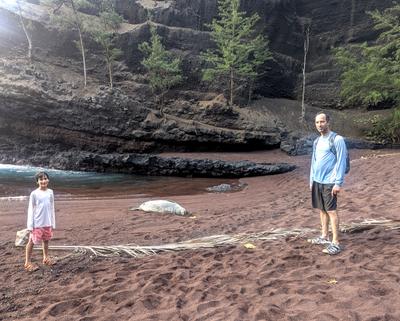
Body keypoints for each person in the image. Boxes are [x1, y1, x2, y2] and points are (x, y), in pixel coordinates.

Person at [308, 112, 348, 255]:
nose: (320, 124)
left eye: (322, 121)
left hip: (330, 181)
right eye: (317, 122)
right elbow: (314, 161)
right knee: (322, 209)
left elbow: (341, 162)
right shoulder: (317, 141)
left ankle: (336, 243)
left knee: (331, 210)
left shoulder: (337, 139)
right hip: (317, 181)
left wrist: (338, 183)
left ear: (328, 122)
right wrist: (311, 180)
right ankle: (324, 236)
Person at [24, 171, 56, 271]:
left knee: (46, 240)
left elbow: (52, 207)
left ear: (48, 180)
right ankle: (27, 263)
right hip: (37, 223)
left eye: (45, 178)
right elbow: (30, 210)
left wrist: (52, 223)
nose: (43, 181)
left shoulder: (50, 192)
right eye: (41, 179)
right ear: (37, 182)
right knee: (31, 242)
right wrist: (30, 226)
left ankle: (46, 258)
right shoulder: (34, 194)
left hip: (47, 222)